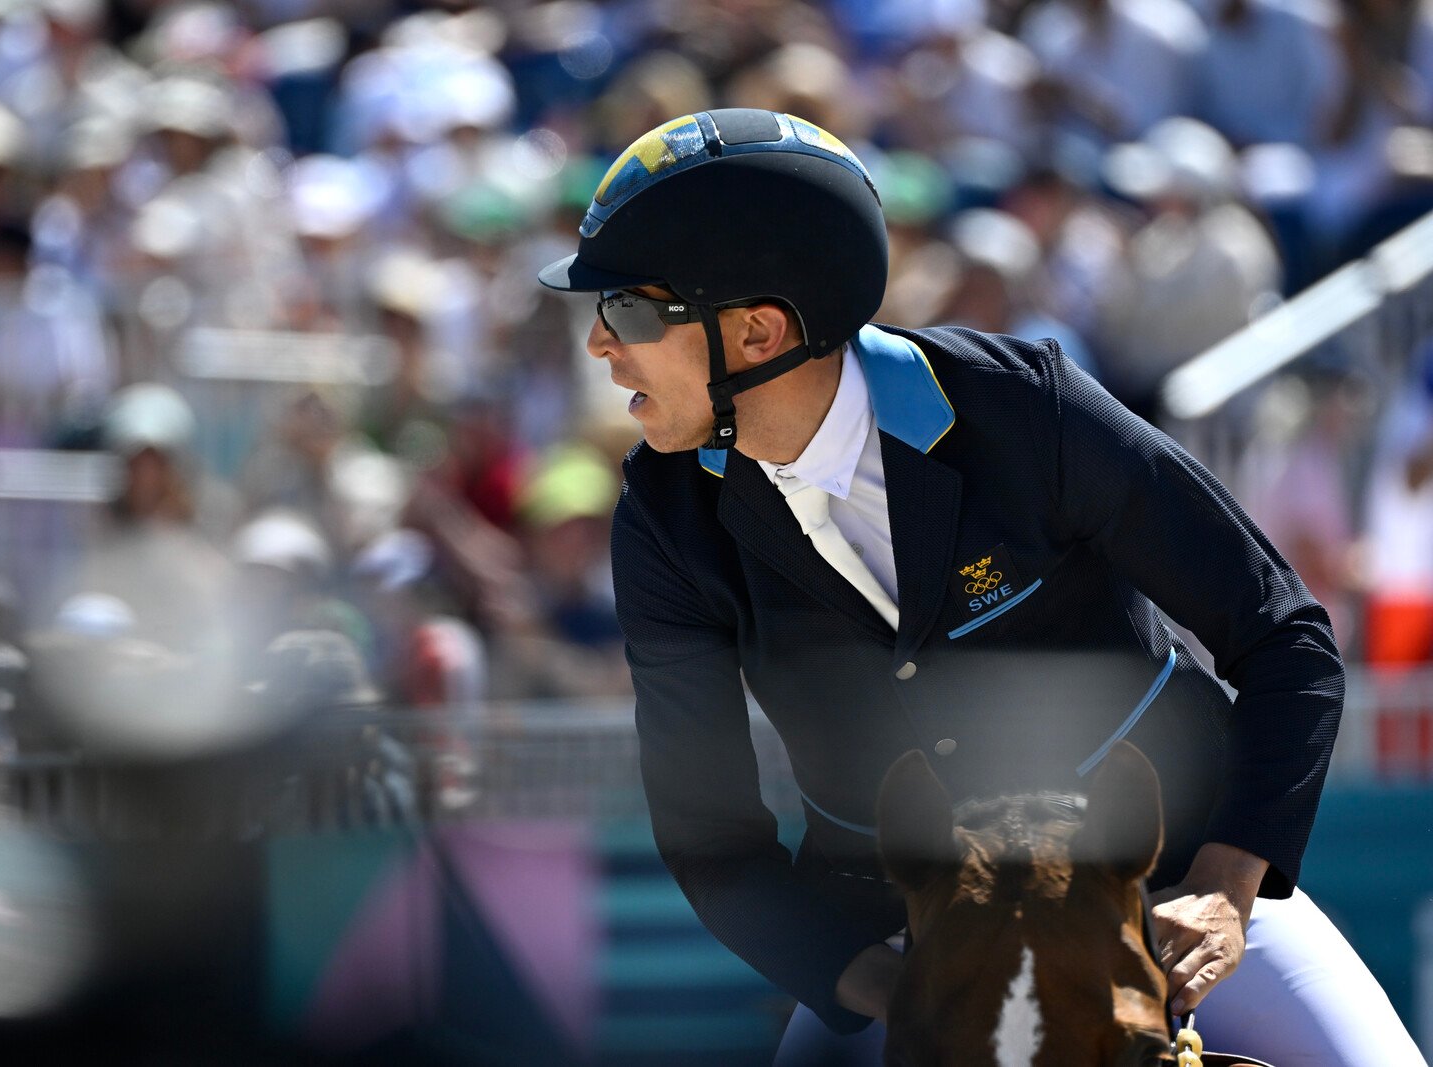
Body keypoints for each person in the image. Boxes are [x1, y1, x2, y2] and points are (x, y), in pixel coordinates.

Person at [537, 107, 1423, 1066]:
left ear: (759, 331)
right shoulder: (664, 521)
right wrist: (897, 988)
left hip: (1160, 890)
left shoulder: (1024, 409)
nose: (599, 346)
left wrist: (1225, 887)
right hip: (889, 928)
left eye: (626, 311)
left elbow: (1285, 635)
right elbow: (712, 838)